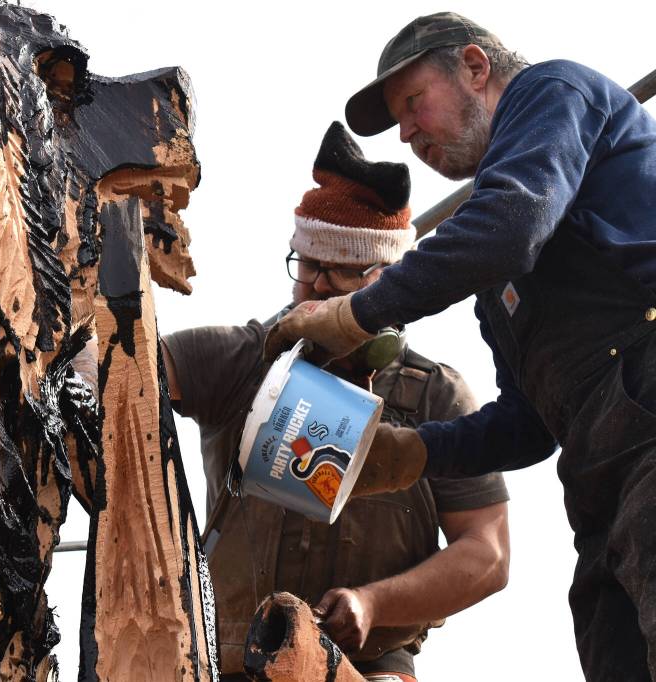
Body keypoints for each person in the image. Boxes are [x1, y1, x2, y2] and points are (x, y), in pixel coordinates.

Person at [264, 12, 656, 680]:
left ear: (475, 67)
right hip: (601, 489)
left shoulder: (553, 92)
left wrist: (353, 313)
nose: (408, 133)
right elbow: (532, 421)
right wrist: (414, 452)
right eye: (399, 122)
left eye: (413, 105)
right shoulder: (497, 275)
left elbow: (508, 224)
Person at [162, 122, 510, 681]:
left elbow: (488, 554)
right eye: (307, 266)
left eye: (344, 270)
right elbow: (118, 374)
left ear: (394, 279)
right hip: (225, 665)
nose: (319, 287)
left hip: (369, 669)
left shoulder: (435, 397)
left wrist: (375, 604)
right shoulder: (239, 361)